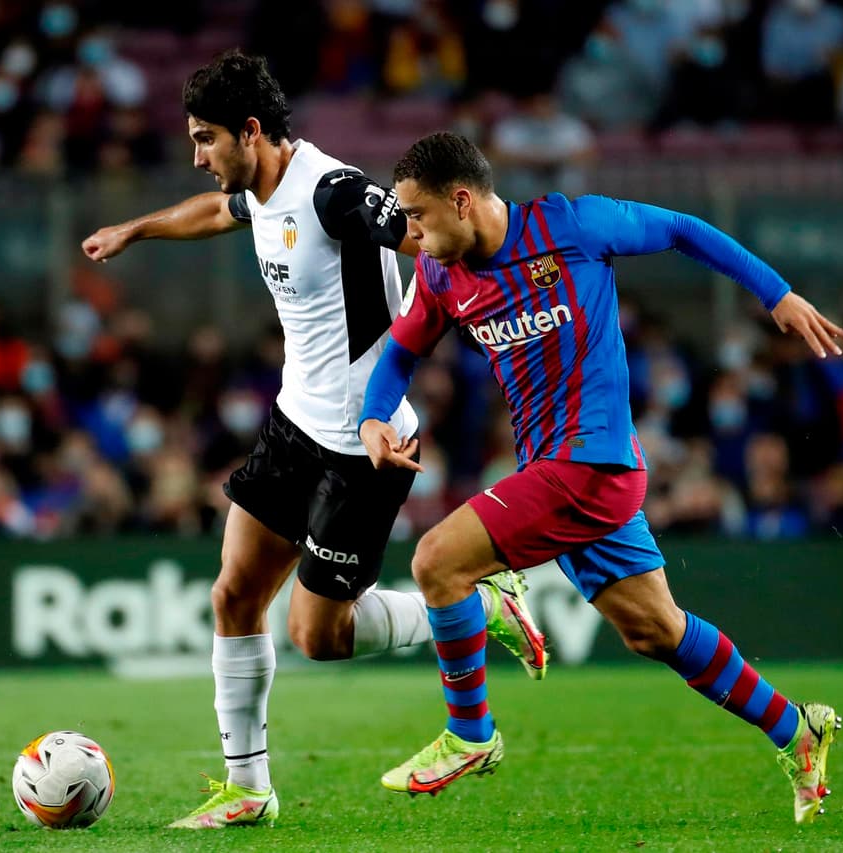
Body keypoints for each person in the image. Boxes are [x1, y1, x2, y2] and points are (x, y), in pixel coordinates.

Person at [80, 54, 547, 830]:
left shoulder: (332, 192)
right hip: (294, 424)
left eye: (206, 140)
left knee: (318, 636)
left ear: (251, 132)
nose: (199, 157)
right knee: (233, 594)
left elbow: (418, 233)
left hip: (363, 447)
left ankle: (477, 597)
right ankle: (247, 789)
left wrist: (483, 285)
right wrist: (137, 229)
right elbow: (216, 212)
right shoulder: (255, 188)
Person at [359, 132, 843, 824]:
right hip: (558, 473)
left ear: (461, 201)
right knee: (656, 631)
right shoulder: (442, 274)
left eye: (417, 215)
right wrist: (375, 418)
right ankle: (798, 730)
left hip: (592, 462)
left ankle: (471, 734)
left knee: (437, 561)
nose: (409, 232)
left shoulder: (571, 226)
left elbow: (679, 228)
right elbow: (402, 352)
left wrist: (776, 293)